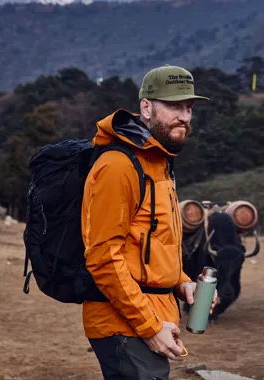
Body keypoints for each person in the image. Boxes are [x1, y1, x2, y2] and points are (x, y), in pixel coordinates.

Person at [81, 65, 216, 380]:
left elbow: (151, 244)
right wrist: (149, 326)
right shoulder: (118, 166)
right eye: (173, 106)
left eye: (188, 108)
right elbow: (102, 257)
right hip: (124, 325)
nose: (183, 116)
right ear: (145, 107)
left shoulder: (158, 163)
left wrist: (182, 282)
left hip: (151, 316)